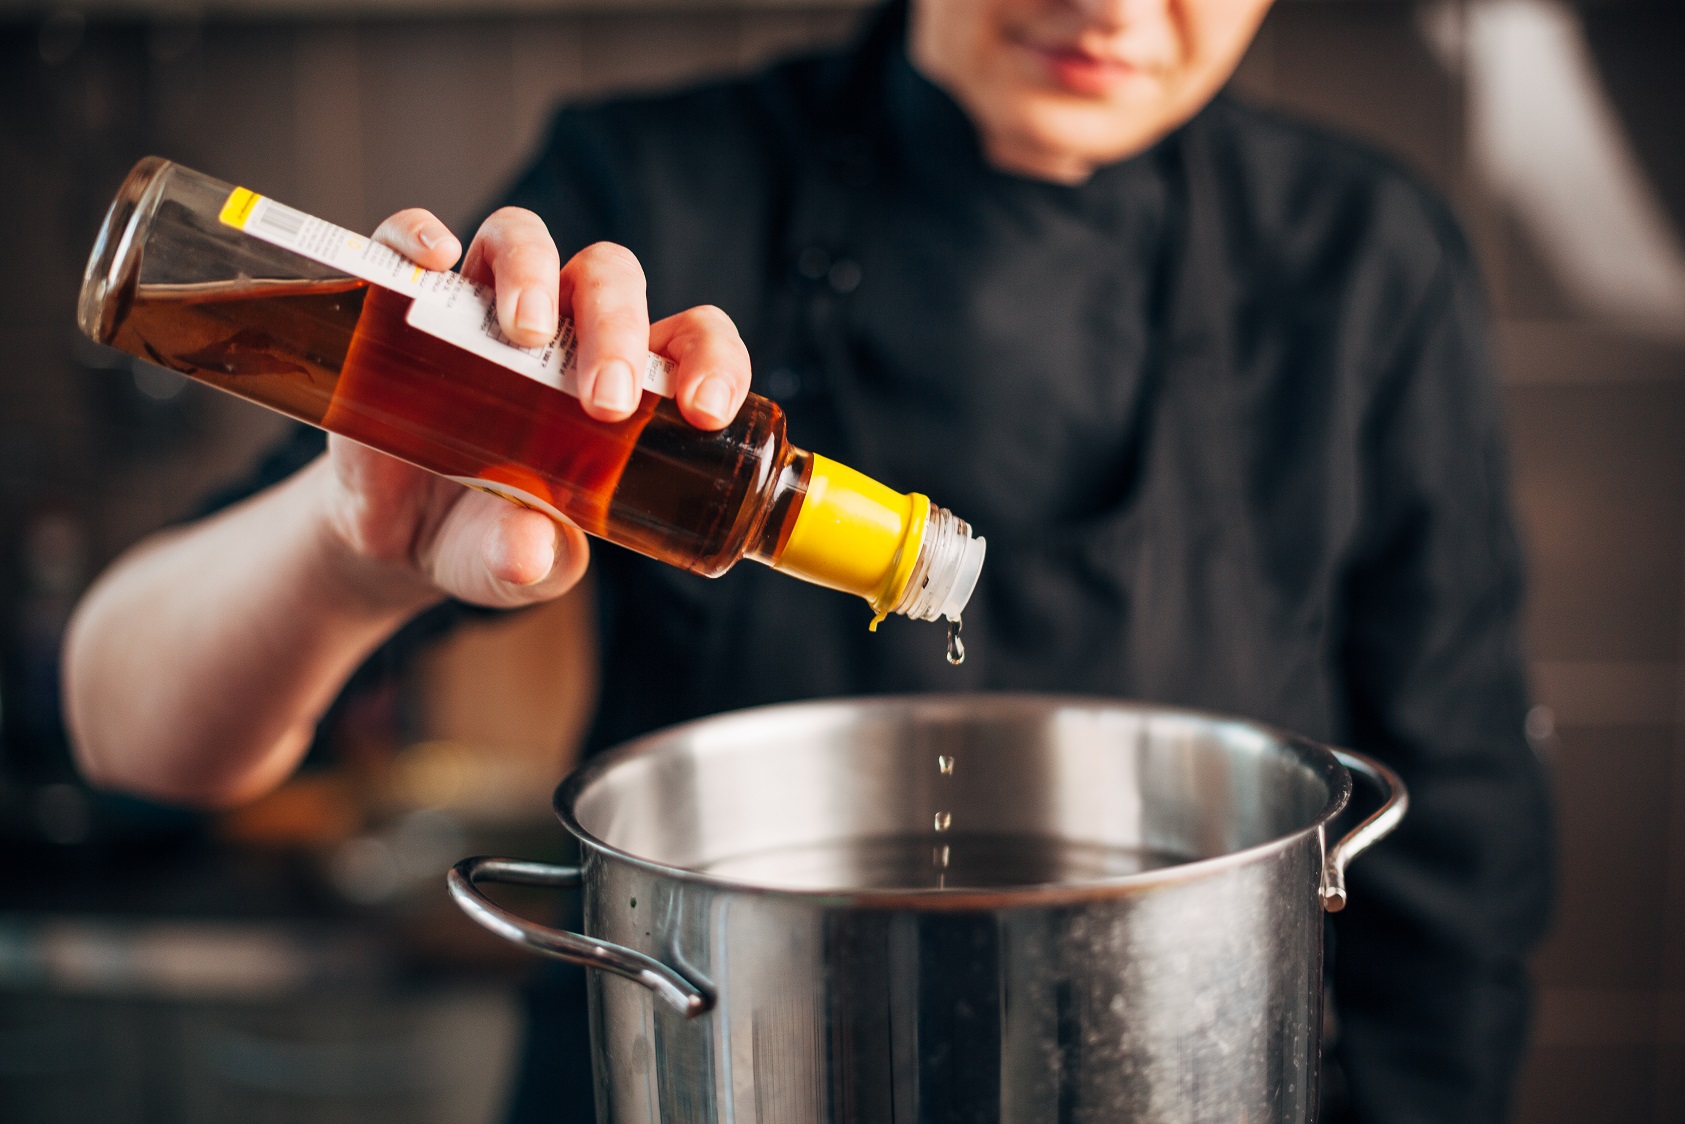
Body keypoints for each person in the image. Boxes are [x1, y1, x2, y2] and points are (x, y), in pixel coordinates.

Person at [63, 1, 1553, 1120]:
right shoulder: (656, 186)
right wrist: (348, 552)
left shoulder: (1365, 264)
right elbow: (125, 728)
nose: (1110, 4)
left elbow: (1458, 871)